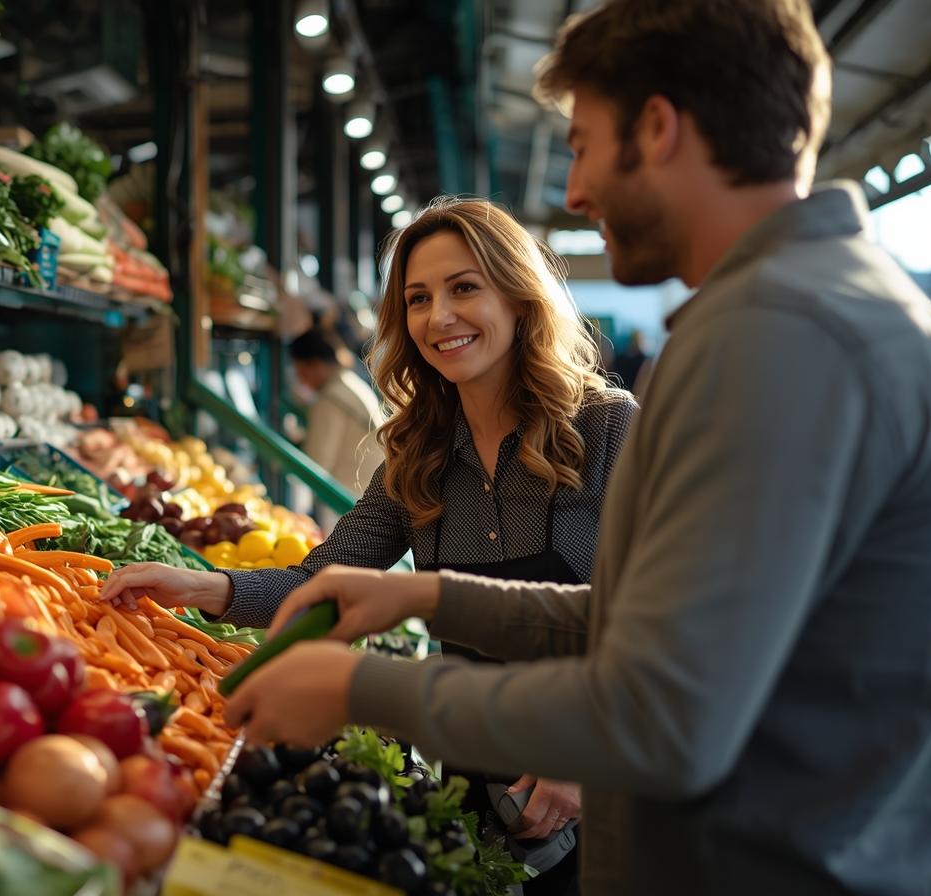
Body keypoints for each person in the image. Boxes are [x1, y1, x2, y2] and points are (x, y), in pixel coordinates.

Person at [221, 2, 931, 894]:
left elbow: (661, 714)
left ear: (658, 128)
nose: (575, 191)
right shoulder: (832, 308)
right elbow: (649, 621)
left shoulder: (778, 339)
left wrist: (361, 692)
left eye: (583, 144)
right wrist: (422, 594)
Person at [103, 197, 639, 893]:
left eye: (464, 288)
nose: (439, 317)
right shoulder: (418, 452)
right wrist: (208, 588)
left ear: (518, 296)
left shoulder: (605, 429)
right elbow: (326, 581)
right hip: (476, 779)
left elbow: (655, 620)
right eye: (418, 298)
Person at [287, 326, 384, 529]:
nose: (302, 380)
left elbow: (316, 463)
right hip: (369, 498)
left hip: (345, 504)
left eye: (301, 371)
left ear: (314, 365)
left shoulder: (331, 398)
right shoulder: (351, 384)